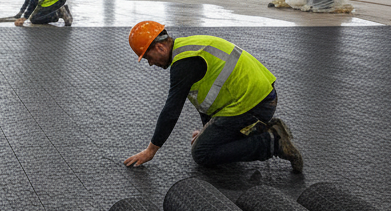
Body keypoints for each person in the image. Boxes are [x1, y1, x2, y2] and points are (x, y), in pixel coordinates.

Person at [123, 21, 303, 172]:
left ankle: (273, 143)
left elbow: (171, 111)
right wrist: (207, 131)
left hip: (254, 103)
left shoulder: (183, 63)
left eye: (148, 57)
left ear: (160, 47)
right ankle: (255, 132)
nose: (150, 63)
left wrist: (151, 150)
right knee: (208, 142)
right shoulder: (186, 49)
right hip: (257, 97)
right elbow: (207, 99)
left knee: (202, 153)